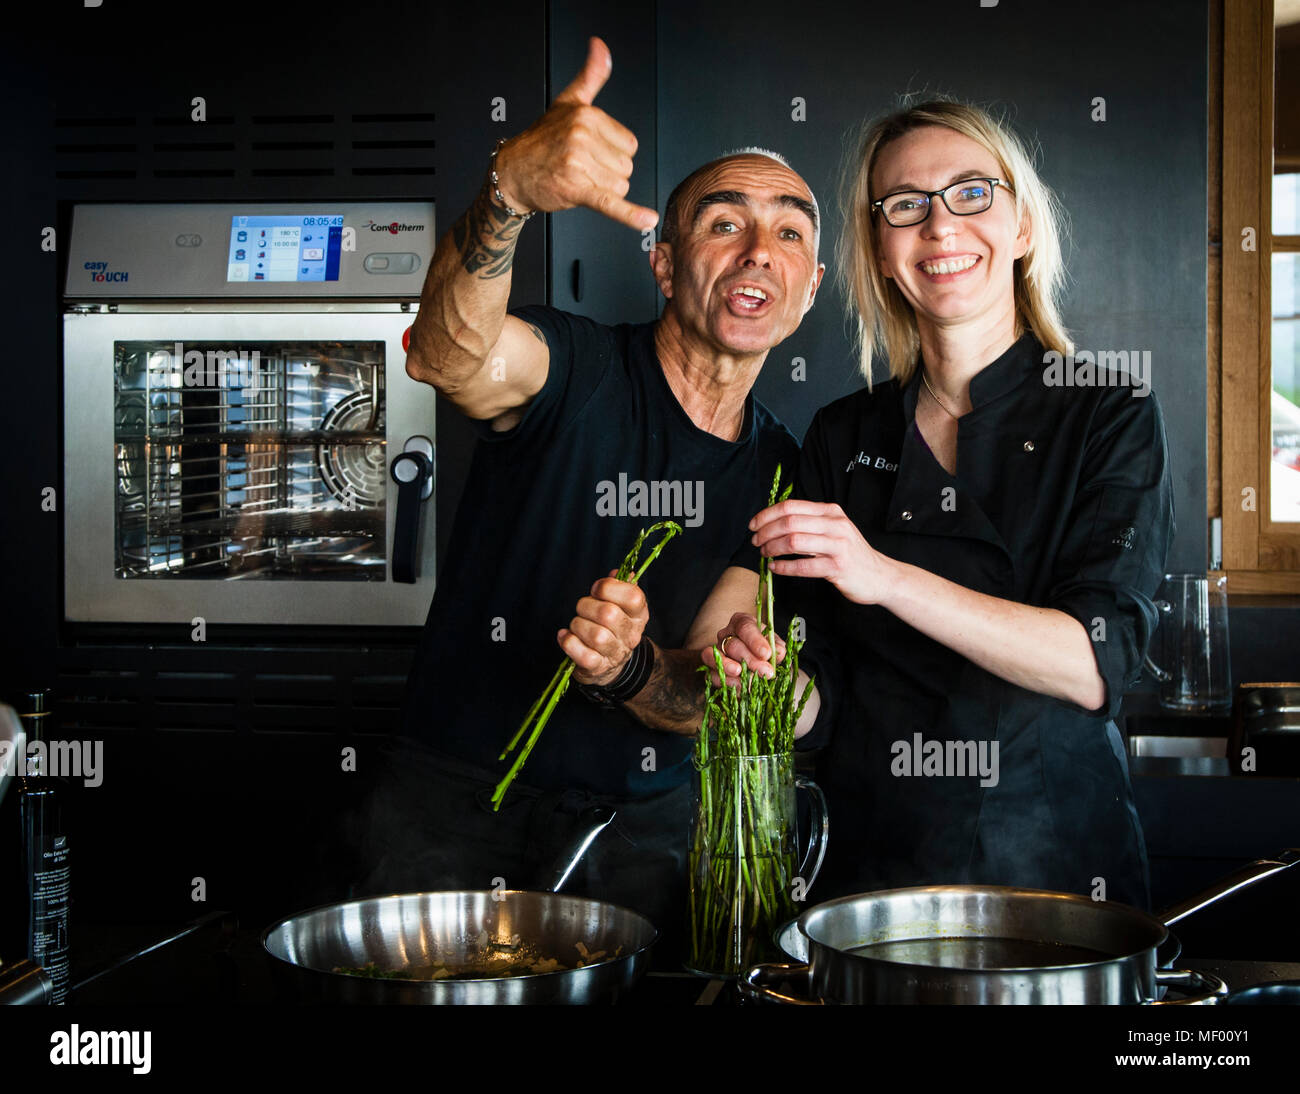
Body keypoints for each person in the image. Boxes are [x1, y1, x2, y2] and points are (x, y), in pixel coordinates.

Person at [590, 99, 1172, 913]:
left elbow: (1090, 664)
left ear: (1024, 227)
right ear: (882, 252)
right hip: (871, 867)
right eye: (906, 205)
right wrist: (760, 680)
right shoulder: (843, 432)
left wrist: (882, 574)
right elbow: (819, 694)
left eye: (972, 193)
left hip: (1053, 860)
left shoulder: (1108, 411)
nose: (940, 227)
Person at [353, 37, 824, 959]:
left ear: (806, 293)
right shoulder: (575, 365)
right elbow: (445, 356)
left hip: (642, 833)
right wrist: (509, 195)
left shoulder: (781, 470)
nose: (758, 251)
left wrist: (631, 669)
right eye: (724, 223)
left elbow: (709, 681)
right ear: (663, 261)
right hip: (452, 808)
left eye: (791, 233)